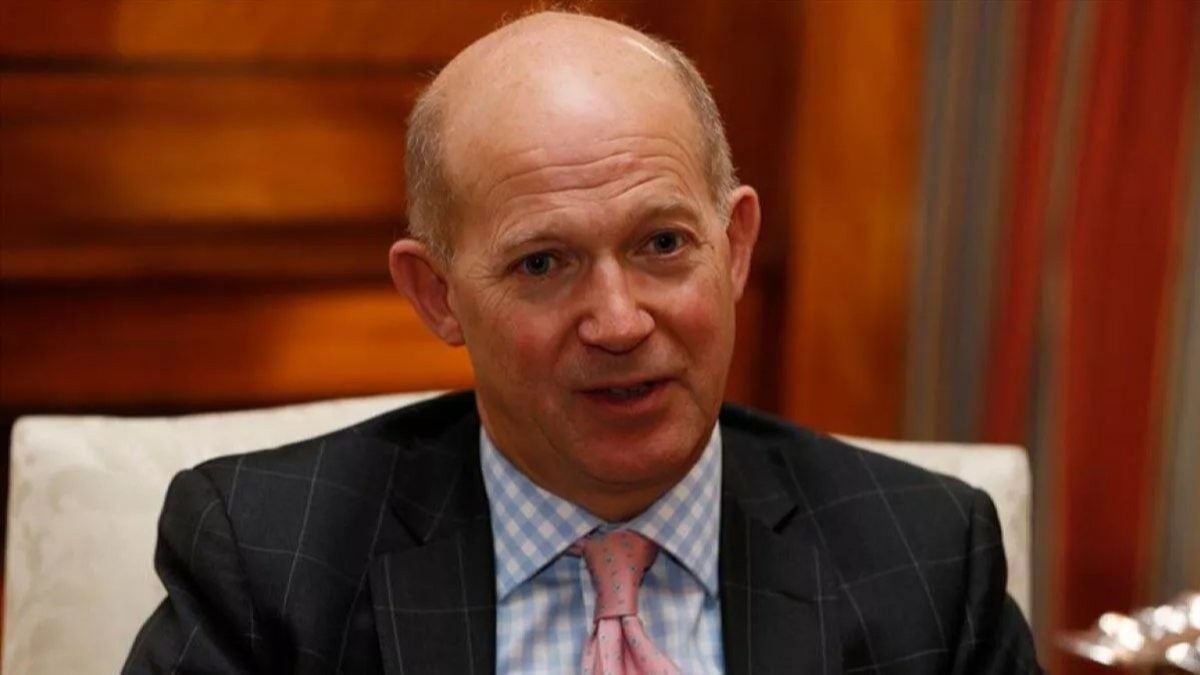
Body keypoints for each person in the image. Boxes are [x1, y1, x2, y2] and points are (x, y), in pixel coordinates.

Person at [124, 10, 1041, 674]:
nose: (619, 321)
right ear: (438, 295)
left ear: (734, 247)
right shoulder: (271, 555)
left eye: (662, 244)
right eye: (543, 263)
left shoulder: (924, 556)